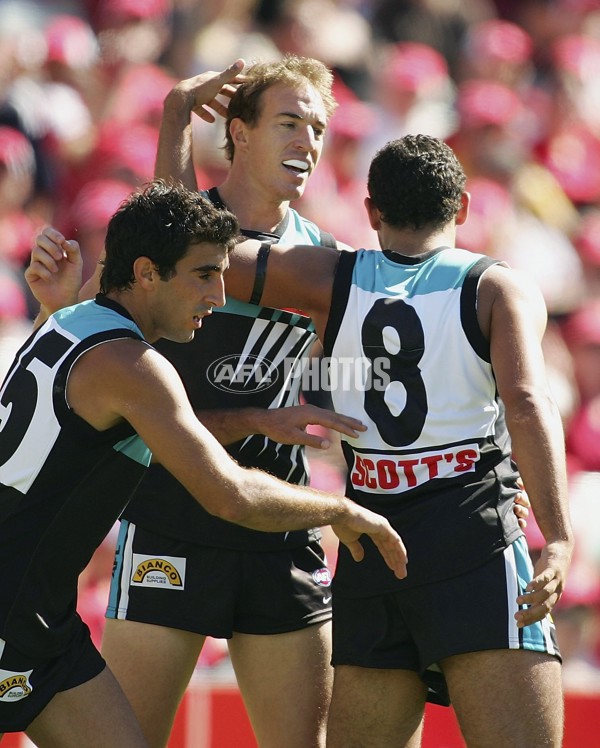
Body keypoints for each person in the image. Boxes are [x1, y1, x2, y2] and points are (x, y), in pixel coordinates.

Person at [0, 179, 410, 745]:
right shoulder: (135, 366)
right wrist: (337, 510)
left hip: (42, 624)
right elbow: (230, 495)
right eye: (203, 275)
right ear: (145, 273)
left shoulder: (68, 320)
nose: (219, 296)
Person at [219, 134, 571, 747]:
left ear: (372, 211)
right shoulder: (496, 287)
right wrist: (561, 537)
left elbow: (196, 247)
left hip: (373, 542)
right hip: (473, 536)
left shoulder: (328, 277)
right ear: (461, 207)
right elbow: (527, 403)